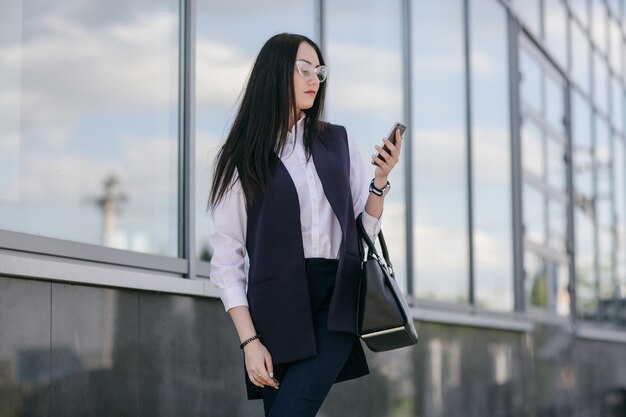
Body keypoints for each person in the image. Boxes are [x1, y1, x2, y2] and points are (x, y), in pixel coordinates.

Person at [208, 33, 402, 417]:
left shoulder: (339, 143)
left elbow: (364, 230)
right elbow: (227, 260)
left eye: (319, 71)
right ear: (276, 73)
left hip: (335, 303)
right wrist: (249, 342)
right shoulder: (243, 157)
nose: (315, 79)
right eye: (304, 70)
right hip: (276, 310)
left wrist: (380, 180)